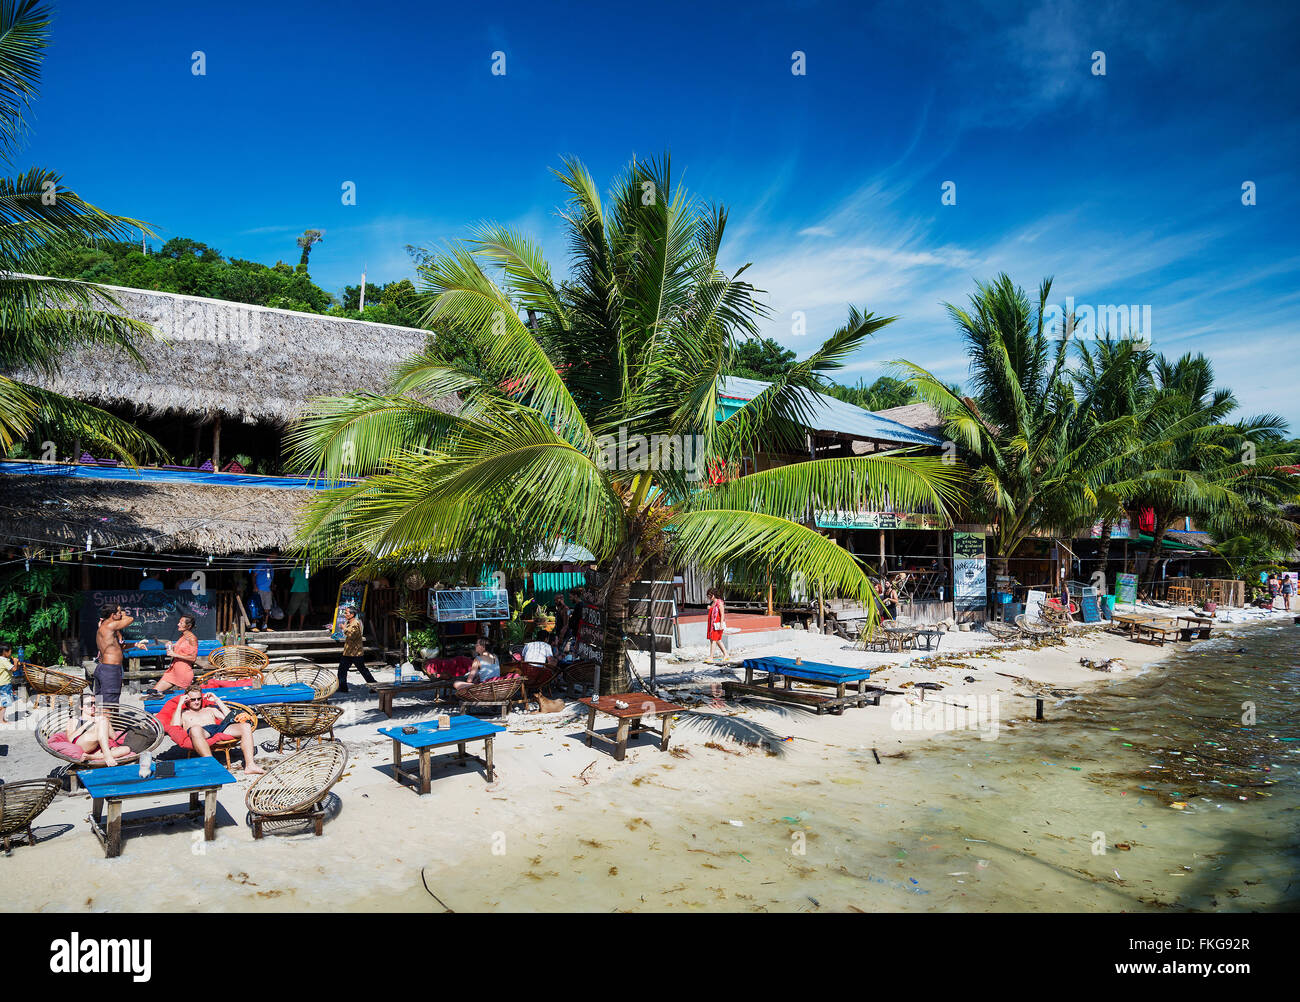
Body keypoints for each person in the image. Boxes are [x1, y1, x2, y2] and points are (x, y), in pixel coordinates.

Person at [171, 686, 264, 775]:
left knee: (246, 726)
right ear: (187, 700)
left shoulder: (209, 709)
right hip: (200, 732)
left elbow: (230, 717)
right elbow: (174, 726)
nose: (196, 702)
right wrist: (180, 703)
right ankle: (212, 764)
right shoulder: (183, 713)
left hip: (217, 728)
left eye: (199, 699)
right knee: (195, 728)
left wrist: (217, 700)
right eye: (193, 699)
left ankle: (250, 766)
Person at [50, 695, 129, 766]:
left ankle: (91, 757)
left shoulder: (100, 719)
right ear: (81, 707)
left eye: (95, 703)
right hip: (82, 743)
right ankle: (107, 755)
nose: (93, 706)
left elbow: (114, 737)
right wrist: (88, 724)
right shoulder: (74, 720)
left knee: (126, 749)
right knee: (102, 721)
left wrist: (106, 721)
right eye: (89, 704)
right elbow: (70, 739)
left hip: (96, 748)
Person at [144, 616, 198, 697]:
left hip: (183, 673)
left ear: (188, 626)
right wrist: (171, 645)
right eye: (179, 622)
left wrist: (174, 654)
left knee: (182, 700)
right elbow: (182, 650)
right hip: (172, 672)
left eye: (181, 623)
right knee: (153, 693)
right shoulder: (182, 636)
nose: (178, 624)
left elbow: (193, 658)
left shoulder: (192, 639)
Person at [94, 604, 133, 706]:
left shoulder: (106, 627)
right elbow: (130, 619)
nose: (121, 614)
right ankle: (107, 721)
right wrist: (122, 615)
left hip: (103, 668)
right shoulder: (110, 625)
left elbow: (117, 647)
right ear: (112, 615)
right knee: (109, 705)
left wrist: (136, 644)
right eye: (119, 612)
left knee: (101, 702)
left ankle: (104, 721)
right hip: (110, 670)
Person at [336, 604, 375, 692]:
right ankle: (343, 688)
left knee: (362, 670)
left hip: (356, 652)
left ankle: (374, 685)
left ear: (352, 615)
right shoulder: (348, 622)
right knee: (342, 670)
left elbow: (352, 635)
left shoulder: (356, 623)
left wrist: (344, 628)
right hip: (348, 652)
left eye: (346, 613)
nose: (345, 614)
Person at [249, 557, 275, 632]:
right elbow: (254, 574)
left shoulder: (271, 566)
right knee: (256, 607)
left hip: (268, 589)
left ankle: (265, 626)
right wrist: (254, 586)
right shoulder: (261, 563)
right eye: (273, 556)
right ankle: (253, 625)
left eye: (276, 557)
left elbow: (271, 578)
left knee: (267, 608)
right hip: (259, 589)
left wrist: (272, 586)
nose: (274, 558)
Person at [705, 588, 728, 660]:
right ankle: (726, 654)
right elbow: (712, 610)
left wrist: (721, 624)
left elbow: (722, 614)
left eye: (710, 595)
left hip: (717, 624)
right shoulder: (713, 603)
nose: (709, 597)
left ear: (713, 595)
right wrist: (710, 608)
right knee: (717, 640)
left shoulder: (719, 603)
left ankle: (711, 657)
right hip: (712, 624)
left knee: (714, 640)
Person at [286, 563, 311, 631]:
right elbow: (308, 579)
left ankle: (289, 626)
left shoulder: (295, 569)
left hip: (297, 590)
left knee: (292, 609)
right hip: (305, 591)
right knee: (303, 610)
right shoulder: (307, 569)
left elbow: (291, 579)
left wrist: (296, 584)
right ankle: (300, 627)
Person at [0, 643, 14, 723]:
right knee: (5, 702)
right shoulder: (4, 661)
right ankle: (2, 720)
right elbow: (14, 669)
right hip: (5, 684)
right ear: (5, 652)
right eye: (10, 651)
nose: (11, 653)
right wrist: (15, 662)